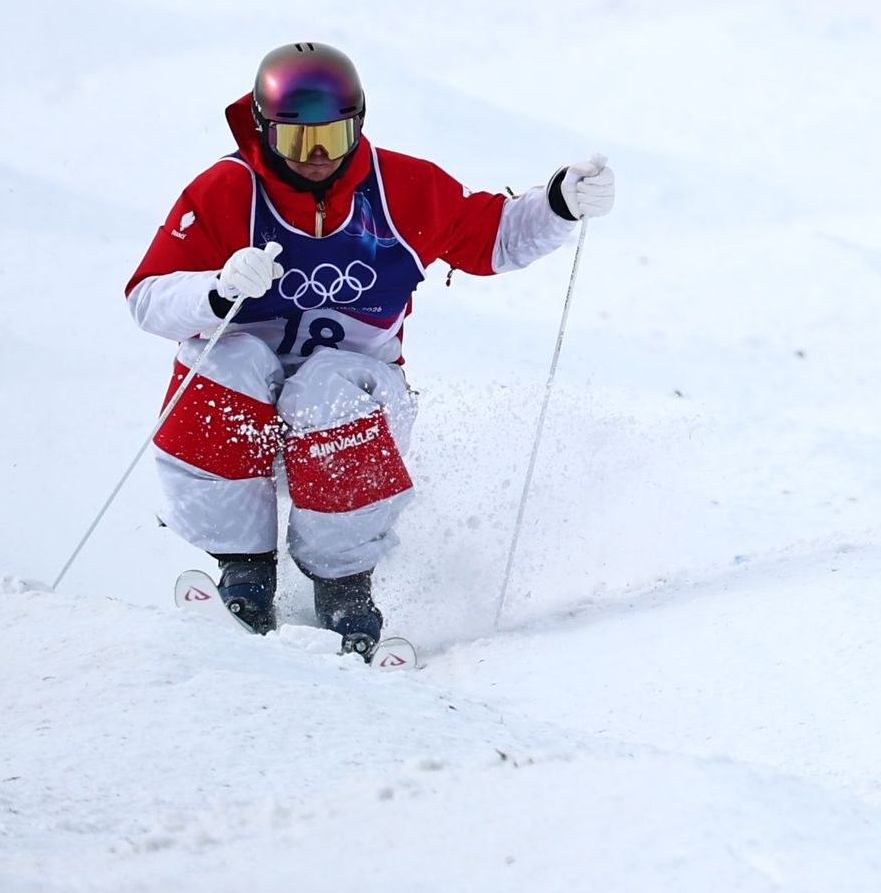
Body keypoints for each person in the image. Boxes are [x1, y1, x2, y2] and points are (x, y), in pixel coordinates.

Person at [125, 41, 615, 657]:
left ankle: (345, 593)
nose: (317, 158)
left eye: (333, 136)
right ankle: (245, 576)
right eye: (297, 141)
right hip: (243, 402)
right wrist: (214, 293)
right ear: (261, 128)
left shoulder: (402, 188)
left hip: (352, 401)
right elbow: (148, 296)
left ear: (360, 122)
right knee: (226, 360)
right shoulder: (226, 191)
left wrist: (559, 205)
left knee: (326, 386)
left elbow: (491, 239)